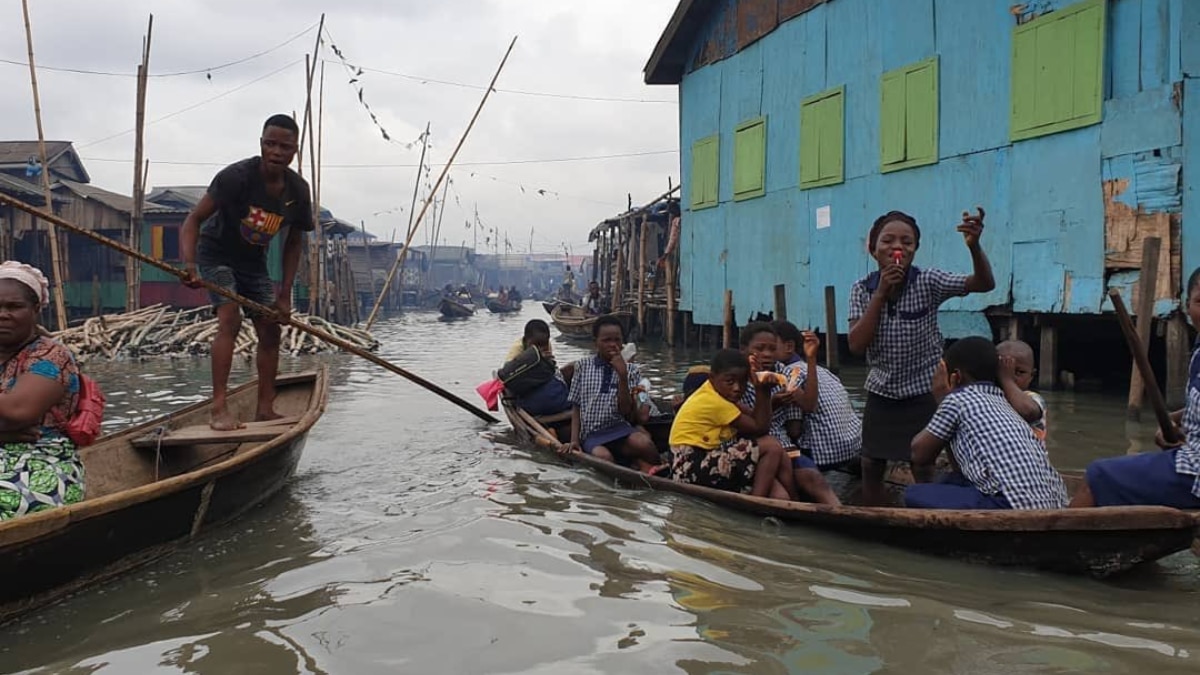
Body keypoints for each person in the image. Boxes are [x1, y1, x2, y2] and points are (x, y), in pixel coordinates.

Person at [848, 208, 996, 506]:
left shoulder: (928, 281)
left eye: (907, 242)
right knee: (871, 463)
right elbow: (856, 345)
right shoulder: (862, 290)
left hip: (923, 390)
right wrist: (881, 294)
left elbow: (983, 284)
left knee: (923, 464)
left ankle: (925, 513)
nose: (897, 248)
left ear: (915, 250)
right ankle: (875, 514)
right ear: (872, 249)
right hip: (882, 390)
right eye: (888, 241)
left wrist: (974, 246)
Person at [181, 114, 313, 431]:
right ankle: (218, 409)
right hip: (216, 254)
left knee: (271, 329)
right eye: (271, 144)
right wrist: (189, 266)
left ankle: (265, 408)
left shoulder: (297, 189)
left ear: (295, 150)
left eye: (285, 146)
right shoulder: (236, 178)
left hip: (253, 262)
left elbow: (294, 243)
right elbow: (193, 221)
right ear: (261, 144)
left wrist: (284, 297)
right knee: (230, 320)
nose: (277, 152)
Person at [1069, 268, 1200, 509]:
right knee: (1131, 462)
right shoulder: (1198, 351)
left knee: (1096, 475)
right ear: (1187, 306)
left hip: (1196, 473)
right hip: (1191, 457)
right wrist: (1173, 421)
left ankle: (1059, 544)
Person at [906, 337, 1068, 510]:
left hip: (1012, 505)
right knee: (952, 480)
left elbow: (919, 453)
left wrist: (941, 397)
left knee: (913, 493)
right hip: (1054, 502)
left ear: (957, 376)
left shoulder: (957, 400)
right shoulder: (1003, 401)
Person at [0, 262, 86, 519]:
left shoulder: (51, 356)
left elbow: (18, 411)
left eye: (14, 307)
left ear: (35, 309)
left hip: (42, 463)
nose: (3, 314)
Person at [669, 349, 791, 498]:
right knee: (771, 445)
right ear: (713, 378)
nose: (737, 388)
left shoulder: (718, 394)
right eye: (730, 382)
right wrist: (762, 390)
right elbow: (760, 428)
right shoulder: (713, 401)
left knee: (780, 491)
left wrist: (762, 388)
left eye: (743, 382)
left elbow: (754, 416)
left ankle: (796, 502)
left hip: (710, 458)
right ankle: (756, 503)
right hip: (690, 467)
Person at [564, 316, 663, 473]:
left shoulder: (631, 370)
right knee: (604, 458)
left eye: (617, 340)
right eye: (606, 340)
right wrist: (574, 440)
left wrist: (622, 376)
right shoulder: (582, 366)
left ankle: (657, 470)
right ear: (595, 341)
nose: (613, 345)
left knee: (645, 444)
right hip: (592, 433)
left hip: (619, 427)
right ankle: (631, 469)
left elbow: (625, 411)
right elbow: (576, 406)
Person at [780, 330, 861, 481]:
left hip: (823, 455)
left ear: (789, 347)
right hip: (852, 445)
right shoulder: (822, 370)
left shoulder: (789, 373)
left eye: (771, 348)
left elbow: (795, 430)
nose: (766, 354)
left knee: (780, 444)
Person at [500, 320, 573, 417]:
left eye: (544, 344)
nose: (541, 348)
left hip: (542, 381)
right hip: (525, 388)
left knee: (573, 368)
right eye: (537, 345)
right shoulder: (518, 349)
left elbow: (551, 369)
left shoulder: (546, 344)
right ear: (526, 341)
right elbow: (507, 374)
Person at [996, 340, 1046, 444]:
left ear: (1032, 375)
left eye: (1019, 372)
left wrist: (1006, 379)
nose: (1012, 377)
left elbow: (1029, 412)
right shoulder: (994, 396)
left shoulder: (1033, 398)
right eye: (1004, 371)